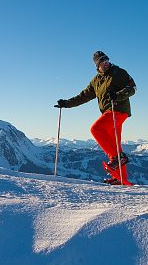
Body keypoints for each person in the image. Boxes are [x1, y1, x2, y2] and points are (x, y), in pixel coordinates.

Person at [55, 51, 136, 185]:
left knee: (96, 129)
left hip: (118, 110)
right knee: (115, 144)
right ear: (97, 65)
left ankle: (117, 158)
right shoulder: (96, 81)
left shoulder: (118, 73)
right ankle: (120, 178)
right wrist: (66, 104)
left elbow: (132, 88)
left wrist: (118, 95)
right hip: (108, 112)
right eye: (101, 62)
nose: (105, 63)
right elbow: (83, 96)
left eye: (106, 60)